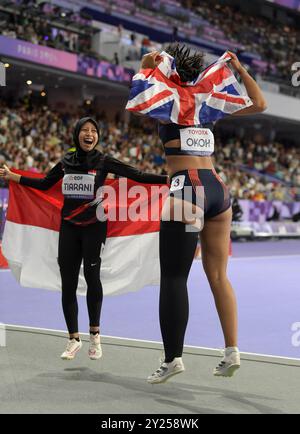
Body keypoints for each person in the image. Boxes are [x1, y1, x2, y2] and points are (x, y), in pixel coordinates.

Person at [137, 46, 267, 383]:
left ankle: (172, 359)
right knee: (219, 275)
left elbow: (139, 90)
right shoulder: (209, 101)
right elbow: (261, 104)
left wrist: (148, 63)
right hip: (218, 189)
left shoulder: (168, 100)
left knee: (174, 278)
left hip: (186, 187)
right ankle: (231, 352)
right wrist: (238, 68)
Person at [0, 117, 168, 361]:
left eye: (94, 131)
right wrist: (14, 177)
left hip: (94, 228)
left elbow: (138, 175)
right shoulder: (66, 161)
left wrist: (167, 179)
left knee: (92, 279)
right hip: (68, 227)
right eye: (85, 130)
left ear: (97, 136)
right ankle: (73, 339)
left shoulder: (103, 161)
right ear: (77, 134)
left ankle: (95, 336)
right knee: (67, 284)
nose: (89, 134)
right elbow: (46, 184)